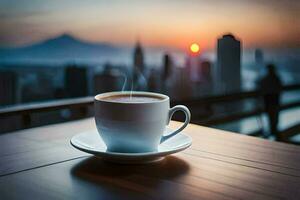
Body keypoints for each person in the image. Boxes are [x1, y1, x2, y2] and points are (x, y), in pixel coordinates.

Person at [259, 64, 282, 140]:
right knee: (274, 119)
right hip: (274, 102)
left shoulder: (266, 79)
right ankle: (274, 133)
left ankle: (272, 133)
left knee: (271, 118)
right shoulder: (276, 79)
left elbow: (262, 87)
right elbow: (279, 89)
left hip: (268, 102)